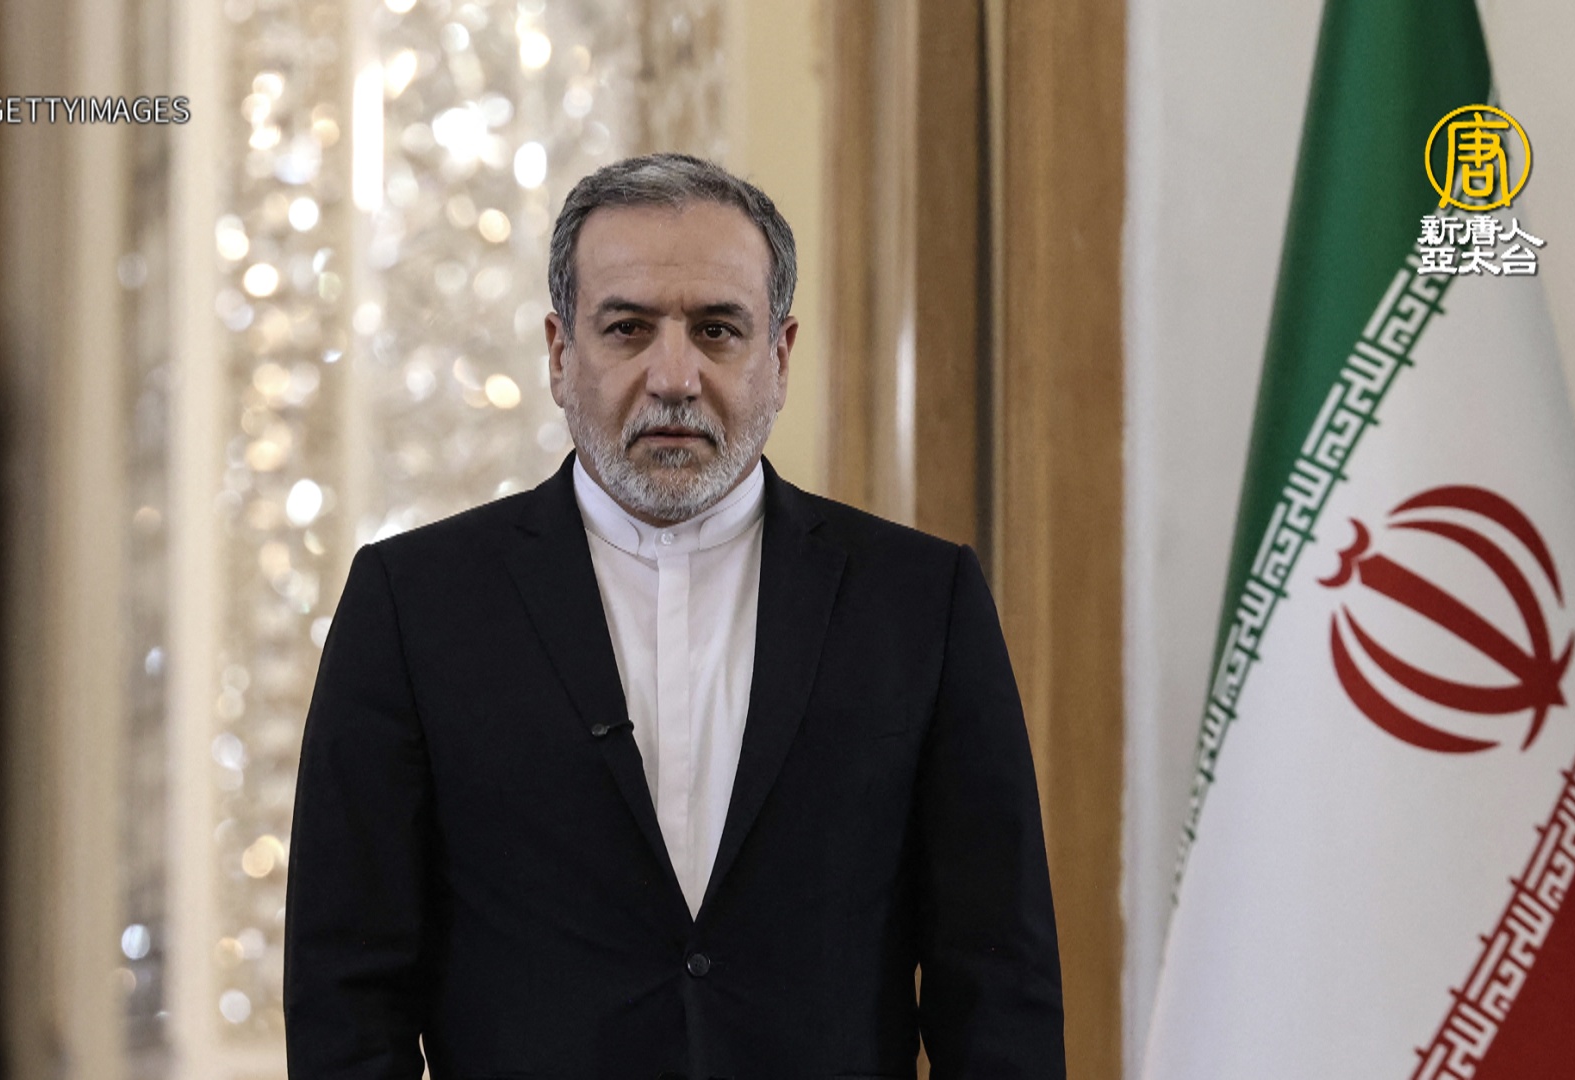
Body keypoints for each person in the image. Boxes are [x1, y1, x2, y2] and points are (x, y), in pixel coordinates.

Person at [283, 153, 1064, 1079]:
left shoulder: (921, 601)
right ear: (559, 354)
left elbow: (998, 987)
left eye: (717, 330)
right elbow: (347, 992)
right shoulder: (414, 603)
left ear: (780, 357)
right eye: (628, 329)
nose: (674, 377)